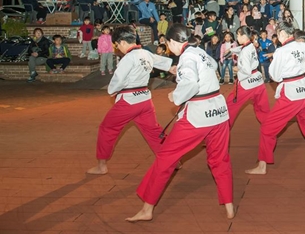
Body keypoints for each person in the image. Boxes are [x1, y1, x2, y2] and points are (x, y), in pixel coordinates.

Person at [127, 24, 234, 222]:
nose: (169, 49)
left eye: (168, 45)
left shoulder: (186, 57)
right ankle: (229, 206)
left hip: (198, 116)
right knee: (220, 159)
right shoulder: (198, 51)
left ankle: (147, 209)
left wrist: (175, 95)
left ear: (174, 42)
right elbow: (213, 65)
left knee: (166, 158)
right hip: (219, 111)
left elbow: (191, 83)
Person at [245, 21, 305, 175]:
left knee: (267, 128)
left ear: (283, 34)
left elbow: (275, 75)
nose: (277, 38)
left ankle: (262, 166)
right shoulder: (302, 46)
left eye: (278, 34)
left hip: (291, 94)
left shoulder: (281, 51)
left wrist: (277, 67)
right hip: (304, 92)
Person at [86, 26, 171, 176]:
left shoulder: (128, 58)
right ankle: (173, 159)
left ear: (123, 42)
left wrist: (111, 92)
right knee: (153, 131)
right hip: (145, 99)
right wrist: (175, 67)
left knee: (107, 129)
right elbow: (166, 63)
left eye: (117, 45)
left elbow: (118, 80)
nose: (117, 48)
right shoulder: (146, 53)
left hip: (129, 101)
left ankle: (101, 166)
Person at [227, 26, 270, 127]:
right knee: (263, 109)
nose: (237, 38)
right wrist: (231, 50)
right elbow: (241, 49)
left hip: (247, 83)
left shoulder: (246, 50)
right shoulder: (251, 45)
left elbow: (246, 71)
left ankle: (222, 129)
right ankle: (269, 127)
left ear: (244, 36)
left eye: (238, 35)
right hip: (258, 81)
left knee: (230, 105)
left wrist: (237, 69)